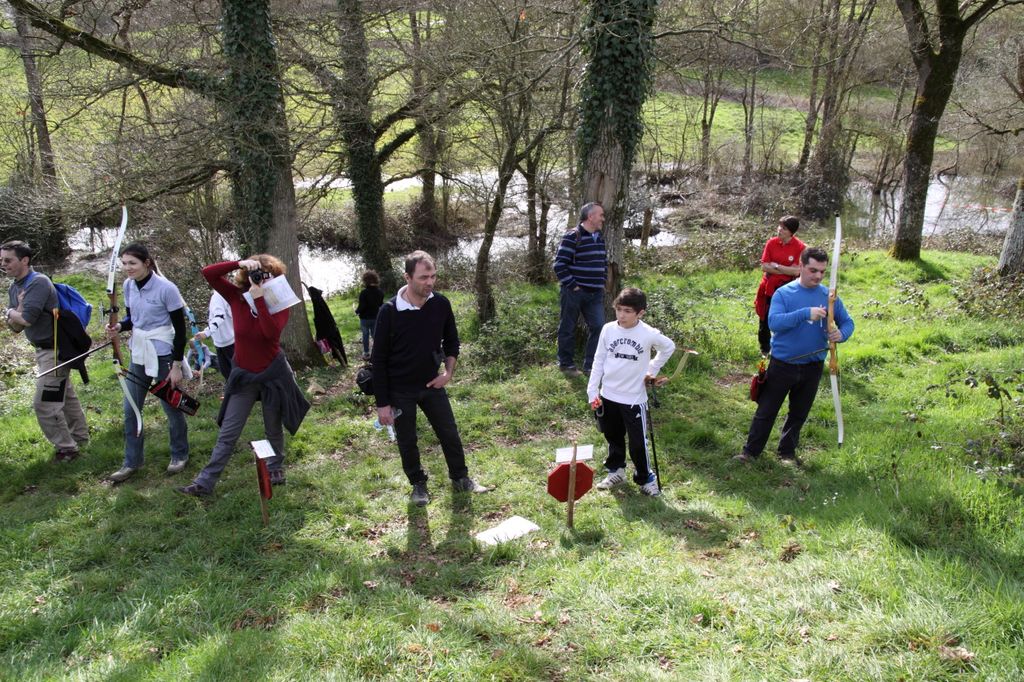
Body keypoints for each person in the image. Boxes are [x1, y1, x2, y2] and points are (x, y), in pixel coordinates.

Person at [177, 256, 309, 496]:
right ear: (247, 277)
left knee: (273, 426)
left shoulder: (280, 303)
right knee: (229, 431)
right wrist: (239, 263)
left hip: (272, 374)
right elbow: (208, 273)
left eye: (268, 275)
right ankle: (205, 482)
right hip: (244, 375)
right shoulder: (235, 297)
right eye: (258, 275)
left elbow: (269, 333)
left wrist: (259, 300)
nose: (263, 280)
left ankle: (275, 467)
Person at [372, 250, 487, 506]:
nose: (430, 282)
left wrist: (448, 373)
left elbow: (452, 342)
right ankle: (418, 485)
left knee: (449, 433)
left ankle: (460, 478)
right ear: (407, 277)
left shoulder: (440, 304)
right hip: (400, 388)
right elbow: (378, 360)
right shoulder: (389, 311)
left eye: (433, 276)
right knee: (407, 440)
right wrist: (383, 404)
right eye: (424, 277)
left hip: (432, 384)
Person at [735, 247, 854, 466]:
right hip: (783, 364)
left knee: (799, 413)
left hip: (813, 366)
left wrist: (842, 334)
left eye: (822, 271)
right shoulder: (784, 293)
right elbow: (774, 323)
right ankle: (750, 453)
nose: (818, 276)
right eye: (812, 270)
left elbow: (847, 322)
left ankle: (787, 453)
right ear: (801, 266)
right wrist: (805, 313)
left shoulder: (829, 296)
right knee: (767, 410)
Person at [105, 243, 190, 482]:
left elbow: (180, 331)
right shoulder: (128, 285)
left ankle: (179, 454)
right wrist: (119, 326)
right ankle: (131, 461)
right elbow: (133, 319)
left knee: (171, 406)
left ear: (147, 263)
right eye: (124, 264)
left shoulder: (167, 289)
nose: (128, 268)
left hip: (163, 353)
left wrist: (176, 366)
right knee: (131, 407)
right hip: (140, 353)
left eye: (132, 263)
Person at [2, 240, 89, 461]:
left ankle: (67, 449)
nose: (3, 264)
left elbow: (26, 320)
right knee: (65, 396)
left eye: (8, 260)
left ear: (24, 260)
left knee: (45, 403)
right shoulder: (14, 287)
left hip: (55, 351)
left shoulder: (38, 282)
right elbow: (15, 328)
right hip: (42, 352)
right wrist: (16, 310)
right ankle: (80, 438)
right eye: (1, 260)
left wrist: (10, 312)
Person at [587, 288, 676, 496]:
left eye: (628, 311)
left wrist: (651, 370)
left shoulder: (648, 333)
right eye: (618, 309)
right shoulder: (608, 329)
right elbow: (599, 359)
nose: (622, 315)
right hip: (608, 395)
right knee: (613, 436)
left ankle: (646, 479)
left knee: (637, 443)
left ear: (640, 313)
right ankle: (616, 471)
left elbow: (669, 347)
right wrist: (592, 390)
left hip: (634, 398)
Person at [554, 202, 607, 377]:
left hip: (595, 294)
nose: (603, 219)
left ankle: (590, 366)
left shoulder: (599, 237)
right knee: (567, 327)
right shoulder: (573, 236)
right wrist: (574, 286)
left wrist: (602, 281)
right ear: (590, 217)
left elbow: (603, 263)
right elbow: (559, 265)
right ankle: (566, 365)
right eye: (600, 215)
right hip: (574, 292)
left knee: (598, 327)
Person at [754, 215, 805, 355]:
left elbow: (797, 271)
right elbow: (765, 267)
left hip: (788, 288)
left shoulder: (800, 247)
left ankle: (785, 347)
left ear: (791, 232)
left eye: (784, 228)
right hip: (768, 286)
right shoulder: (771, 243)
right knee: (765, 317)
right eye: (779, 226)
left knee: (786, 318)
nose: (779, 230)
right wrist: (786, 269)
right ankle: (765, 349)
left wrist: (776, 266)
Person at [194, 290, 235, 379]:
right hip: (222, 343)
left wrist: (206, 332)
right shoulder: (220, 294)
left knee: (233, 374)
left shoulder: (218, 296)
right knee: (228, 374)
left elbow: (220, 316)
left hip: (228, 342)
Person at [355, 269, 384, 361]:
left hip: (364, 319)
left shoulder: (364, 293)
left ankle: (366, 353)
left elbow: (362, 306)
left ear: (365, 280)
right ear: (376, 279)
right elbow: (381, 305)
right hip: (376, 317)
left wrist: (356, 311)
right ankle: (379, 352)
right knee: (375, 335)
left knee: (365, 335)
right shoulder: (380, 292)